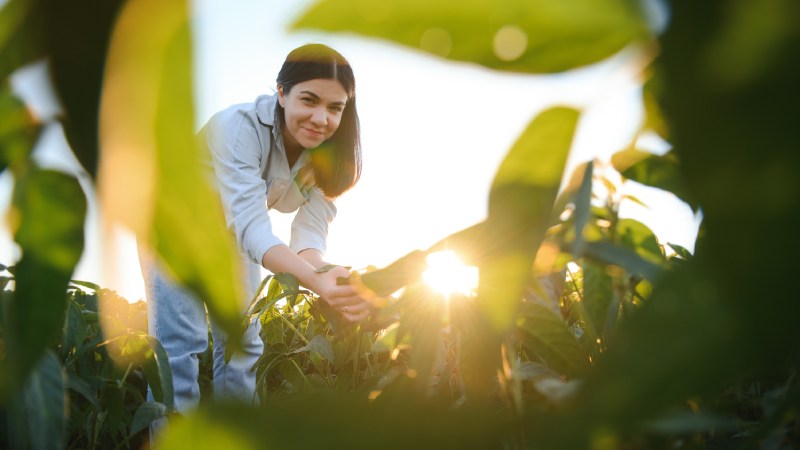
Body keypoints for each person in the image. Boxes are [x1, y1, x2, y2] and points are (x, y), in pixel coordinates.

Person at [142, 43, 371, 425]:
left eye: (335, 108)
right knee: (182, 345)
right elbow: (252, 226)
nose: (321, 118)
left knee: (243, 344)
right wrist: (317, 282)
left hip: (231, 238)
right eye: (309, 100)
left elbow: (309, 240)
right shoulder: (238, 127)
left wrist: (333, 276)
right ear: (281, 93)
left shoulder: (329, 159)